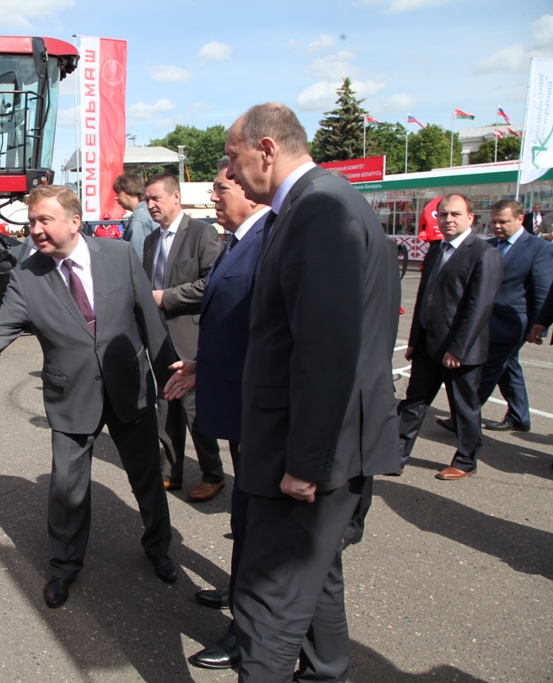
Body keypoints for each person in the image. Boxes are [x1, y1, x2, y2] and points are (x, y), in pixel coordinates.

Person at [224, 103, 401, 682]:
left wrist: (306, 462)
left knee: (266, 606)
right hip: (321, 446)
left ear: (267, 149)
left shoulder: (319, 209)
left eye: (233, 156)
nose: (228, 170)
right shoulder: (315, 204)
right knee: (317, 579)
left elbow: (328, 351)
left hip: (309, 455)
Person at [0, 185, 178, 609]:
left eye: (45, 220)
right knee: (66, 488)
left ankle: (159, 550)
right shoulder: (27, 274)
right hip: (70, 394)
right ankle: (63, 567)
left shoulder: (118, 257)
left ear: (74, 222)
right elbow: (3, 326)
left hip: (128, 386)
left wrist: (172, 373)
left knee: (147, 478)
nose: (35, 229)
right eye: (32, 221)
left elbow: (149, 321)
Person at [163, 156, 269, 670]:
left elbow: (262, 334)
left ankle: (248, 631)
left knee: (259, 523)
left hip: (259, 411)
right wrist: (203, 366)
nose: (214, 199)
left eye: (222, 189)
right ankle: (239, 595)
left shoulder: (269, 239)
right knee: (248, 520)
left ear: (250, 191)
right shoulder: (238, 239)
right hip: (235, 398)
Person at [396, 194, 502, 479]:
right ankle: (396, 454)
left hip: (459, 351)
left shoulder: (484, 253)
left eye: (455, 214)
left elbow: (479, 308)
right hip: (428, 346)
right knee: (413, 402)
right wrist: (415, 341)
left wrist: (458, 349)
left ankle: (466, 460)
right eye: (443, 215)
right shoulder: (435, 250)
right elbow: (425, 298)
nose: (447, 220)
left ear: (471, 218)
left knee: (463, 407)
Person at [142, 173, 226, 502]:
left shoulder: (202, 234)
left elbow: (213, 284)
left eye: (156, 198)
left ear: (175, 197)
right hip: (159, 337)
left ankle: (213, 474)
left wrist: (167, 297)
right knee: (165, 408)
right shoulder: (150, 240)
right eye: (147, 200)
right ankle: (170, 472)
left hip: (191, 335)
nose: (150, 205)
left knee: (196, 411)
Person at [436, 199, 552, 434]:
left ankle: (462, 418)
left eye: (503, 222)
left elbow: (543, 289)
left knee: (487, 371)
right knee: (508, 369)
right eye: (494, 222)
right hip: (485, 321)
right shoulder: (488, 246)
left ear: (520, 219)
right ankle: (519, 416)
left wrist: (539, 324)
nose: (497, 226)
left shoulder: (538, 248)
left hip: (511, 323)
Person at [114, 172, 158, 260]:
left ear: (130, 191)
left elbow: (137, 257)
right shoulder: (145, 211)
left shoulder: (139, 217)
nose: (116, 197)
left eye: (118, 192)